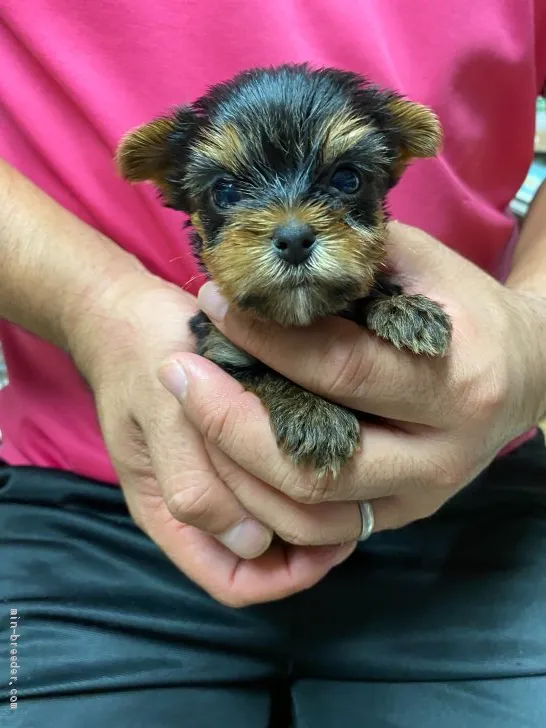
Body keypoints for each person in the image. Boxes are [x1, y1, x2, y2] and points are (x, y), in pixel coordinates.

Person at [1, 1, 546, 725]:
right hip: (87, 508)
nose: (291, 225)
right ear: (185, 201)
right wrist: (92, 301)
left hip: (474, 498)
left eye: (346, 181)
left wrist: (531, 329)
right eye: (228, 193)